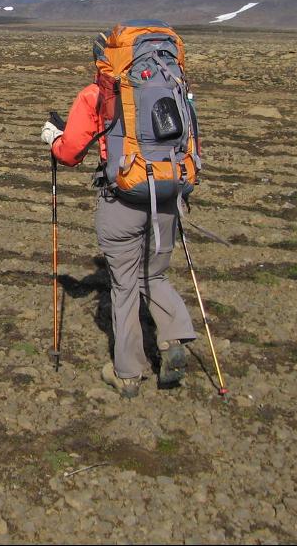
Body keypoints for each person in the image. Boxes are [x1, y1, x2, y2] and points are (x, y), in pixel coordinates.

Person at [41, 37, 197, 399]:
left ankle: (127, 374)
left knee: (125, 285)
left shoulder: (97, 93)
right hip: (167, 194)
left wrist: (53, 139)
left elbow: (71, 152)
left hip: (121, 199)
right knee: (153, 273)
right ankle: (173, 337)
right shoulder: (172, 85)